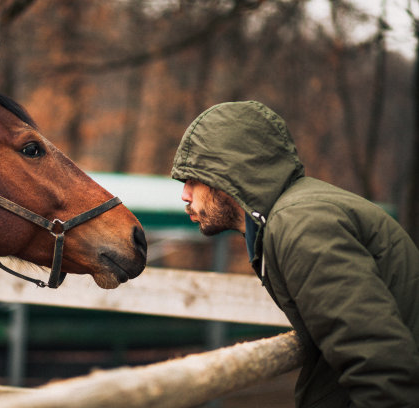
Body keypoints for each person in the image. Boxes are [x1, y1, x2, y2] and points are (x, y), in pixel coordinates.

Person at [171, 100, 419, 407]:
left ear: (227, 177)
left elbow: (378, 363)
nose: (184, 195)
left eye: (193, 180)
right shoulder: (290, 218)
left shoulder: (301, 225)